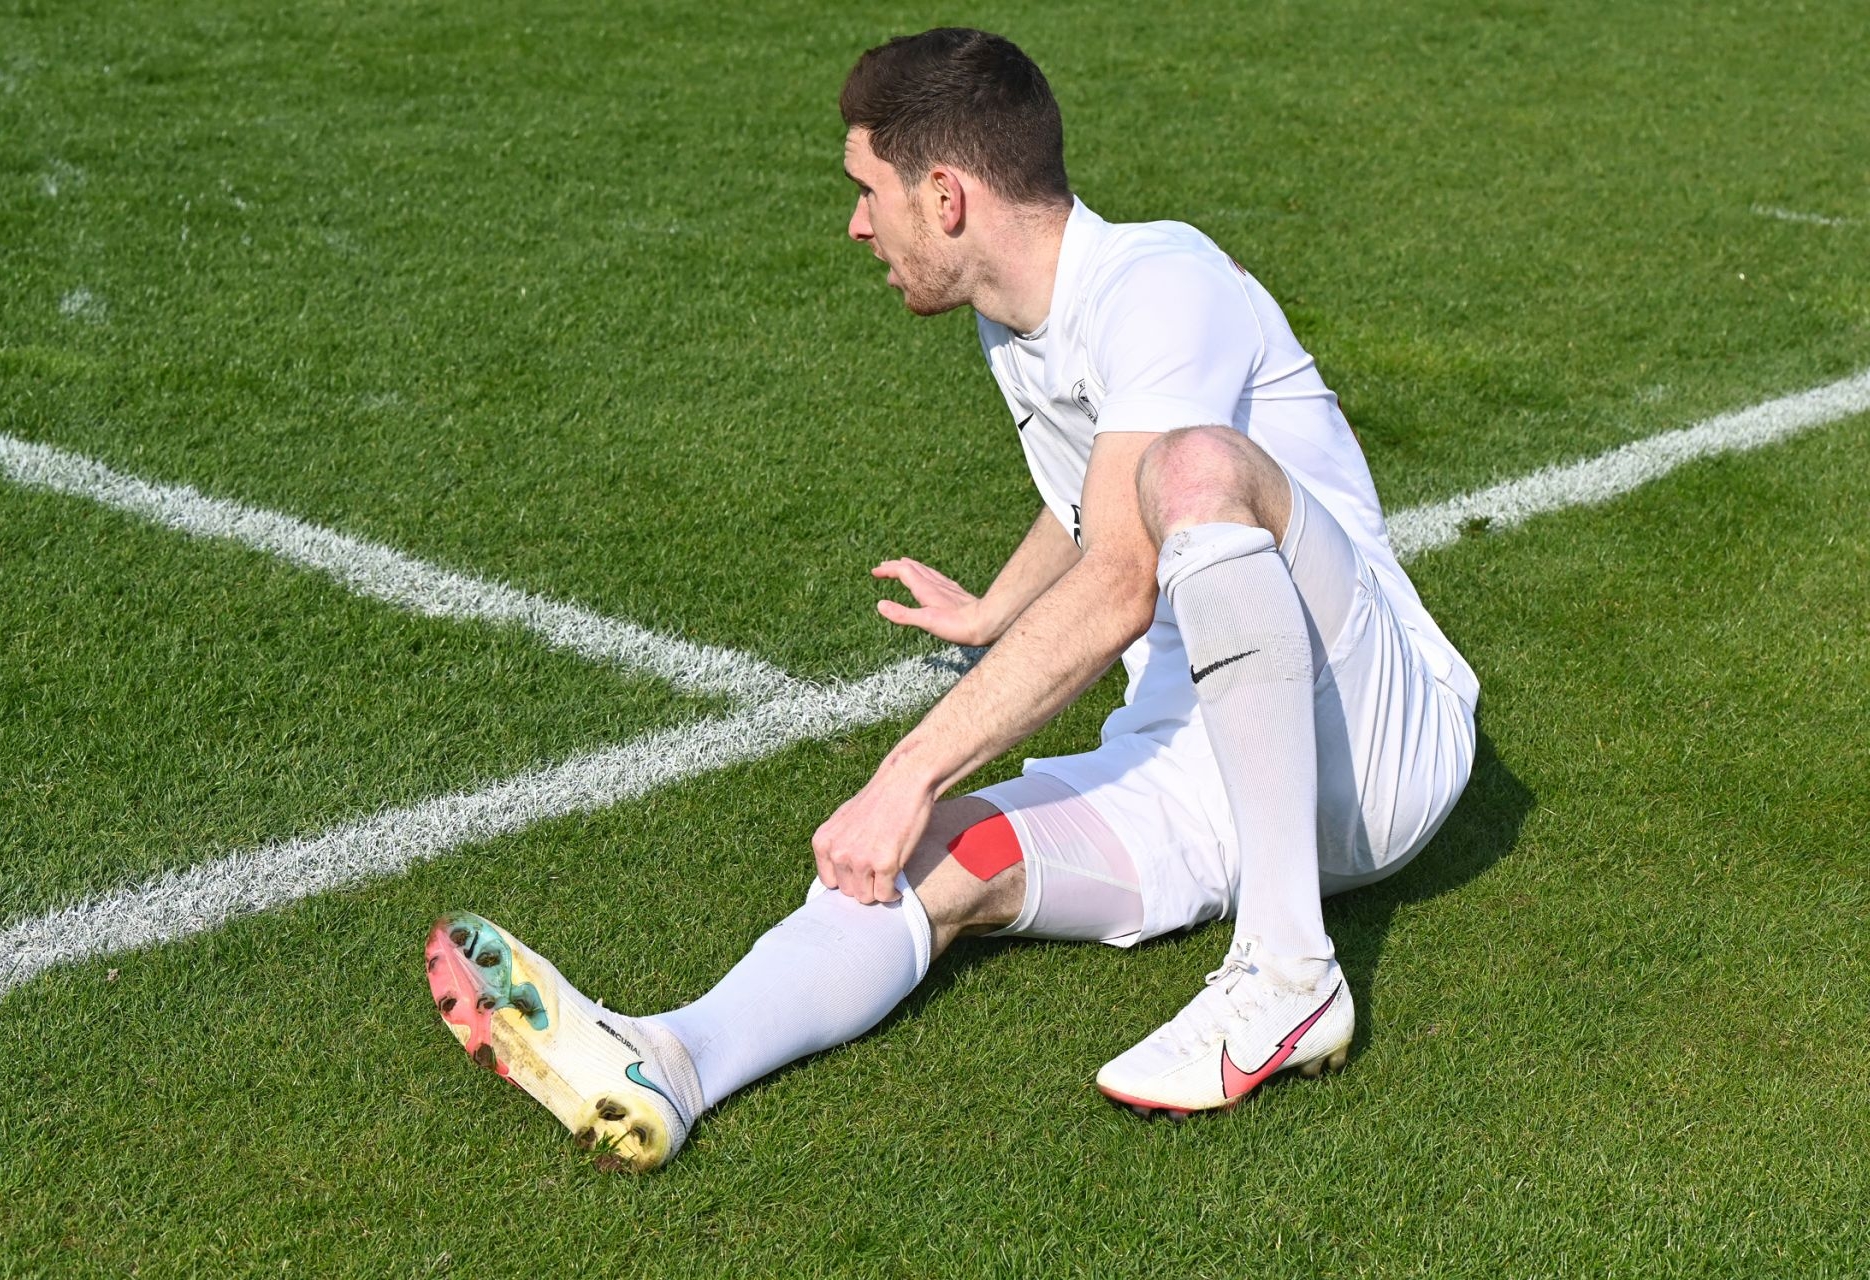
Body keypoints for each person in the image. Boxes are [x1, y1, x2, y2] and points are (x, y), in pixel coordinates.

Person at [424, 27, 1479, 1173]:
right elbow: (1097, 495)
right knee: (935, 857)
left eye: (867, 189)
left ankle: (1287, 972)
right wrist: (994, 611)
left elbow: (1127, 566)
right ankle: (674, 1060)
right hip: (1204, 768)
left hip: (1374, 733)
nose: (856, 224)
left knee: (1198, 470)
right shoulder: (1015, 326)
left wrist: (906, 768)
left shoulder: (1162, 279)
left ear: (946, 195)